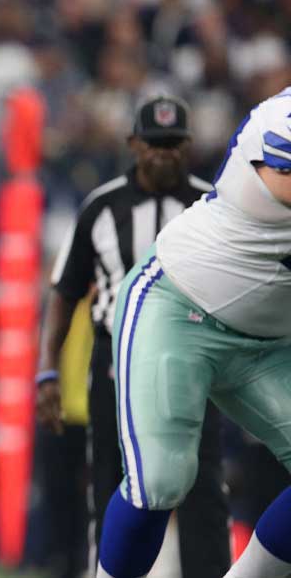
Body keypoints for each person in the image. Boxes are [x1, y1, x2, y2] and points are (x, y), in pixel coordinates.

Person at [94, 88, 291, 578]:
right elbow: (281, 179)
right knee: (160, 479)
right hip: (179, 306)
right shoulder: (282, 117)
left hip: (270, 342)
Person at [36, 97, 228, 576]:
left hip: (193, 352)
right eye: (154, 144)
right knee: (110, 475)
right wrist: (47, 370)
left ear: (188, 146)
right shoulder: (102, 206)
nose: (163, 154)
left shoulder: (214, 204)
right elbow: (64, 292)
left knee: (203, 478)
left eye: (173, 144)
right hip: (116, 354)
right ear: (133, 145)